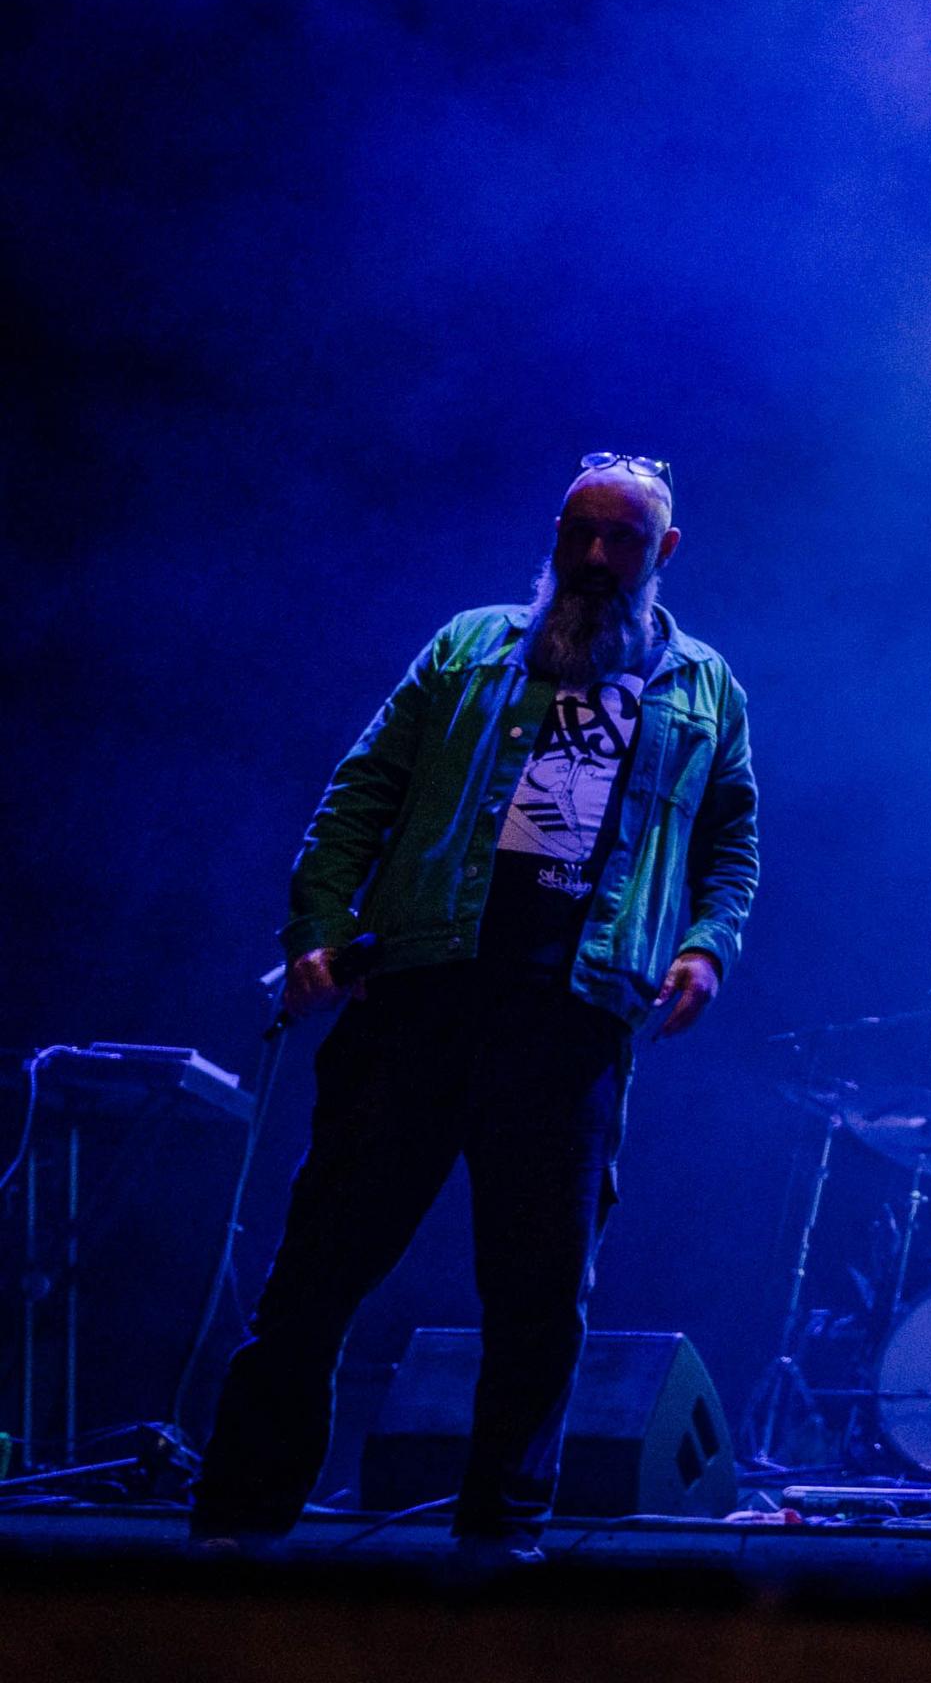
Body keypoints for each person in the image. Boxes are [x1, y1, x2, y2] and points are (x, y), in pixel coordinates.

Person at [191, 453, 757, 1558]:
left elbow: (730, 840)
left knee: (541, 1300)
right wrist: (313, 927)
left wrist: (706, 946)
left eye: (621, 541)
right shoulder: (470, 646)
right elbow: (360, 790)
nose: (594, 559)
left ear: (666, 552)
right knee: (316, 1274)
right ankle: (238, 1527)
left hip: (570, 1019)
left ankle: (500, 1541)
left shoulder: (704, 688)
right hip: (421, 1000)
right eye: (576, 534)